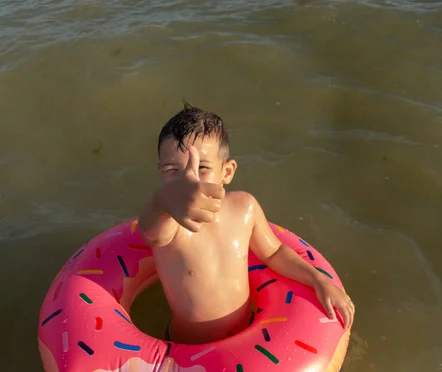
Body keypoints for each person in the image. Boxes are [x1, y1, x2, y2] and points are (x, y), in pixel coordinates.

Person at [138, 102, 354, 345]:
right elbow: (151, 233)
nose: (190, 180)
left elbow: (274, 252)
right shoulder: (170, 222)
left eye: (203, 168)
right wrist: (162, 201)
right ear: (160, 173)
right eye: (172, 171)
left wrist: (319, 281)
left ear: (227, 172)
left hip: (248, 335)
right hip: (188, 349)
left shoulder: (245, 208)